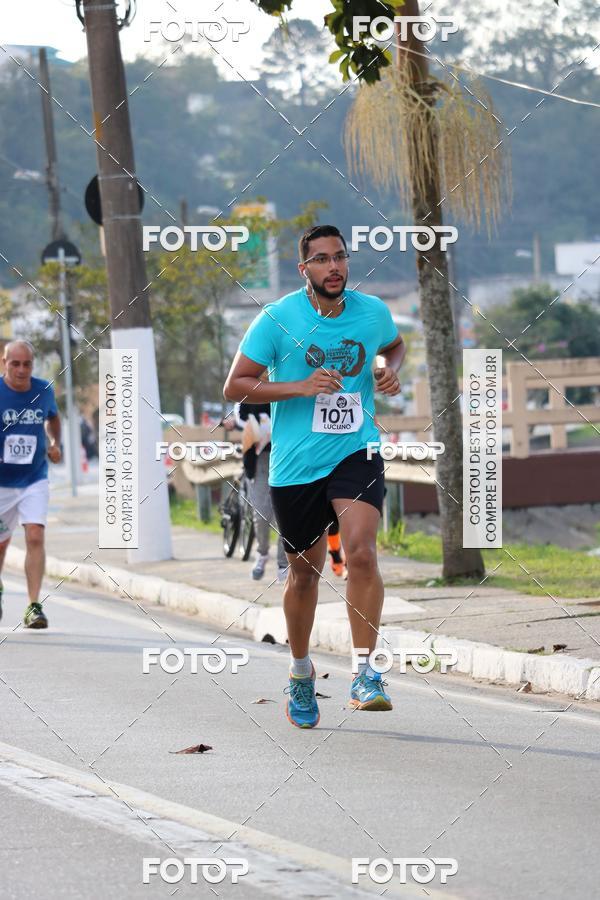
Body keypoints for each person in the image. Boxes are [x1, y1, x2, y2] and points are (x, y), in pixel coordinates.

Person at [224, 224, 405, 728]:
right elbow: (236, 386)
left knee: (362, 552)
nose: (334, 267)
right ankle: (301, 673)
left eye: (340, 257)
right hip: (297, 464)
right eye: (322, 259)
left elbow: (393, 345)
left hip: (356, 451)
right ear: (304, 270)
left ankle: (366, 673)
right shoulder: (278, 318)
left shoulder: (372, 312)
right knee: (305, 574)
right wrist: (300, 387)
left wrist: (387, 369)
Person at [0, 340, 62, 628]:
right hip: (2, 483)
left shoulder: (43, 390)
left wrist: (54, 442)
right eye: (15, 363)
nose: (22, 370)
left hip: (34, 477)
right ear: (5, 363)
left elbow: (53, 418)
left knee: (35, 535)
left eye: (27, 364)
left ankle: (34, 606)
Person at [235, 401, 288, 583]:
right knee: (262, 513)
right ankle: (262, 553)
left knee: (286, 516)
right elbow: (240, 416)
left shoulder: (289, 381)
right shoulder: (251, 384)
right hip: (259, 459)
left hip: (287, 458)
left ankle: (283, 562)